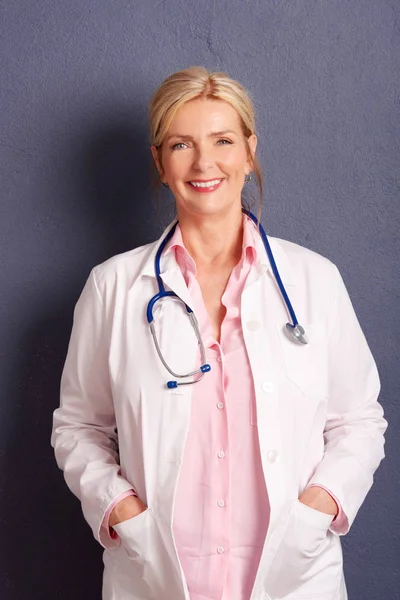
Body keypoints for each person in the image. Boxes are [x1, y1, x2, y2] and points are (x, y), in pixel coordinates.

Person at [51, 66, 387, 600]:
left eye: (223, 140)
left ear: (249, 151)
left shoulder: (313, 280)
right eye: (182, 144)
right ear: (160, 163)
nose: (205, 163)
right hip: (154, 576)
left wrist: (318, 508)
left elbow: (359, 421)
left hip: (293, 576)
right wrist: (122, 511)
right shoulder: (113, 287)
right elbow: (78, 427)